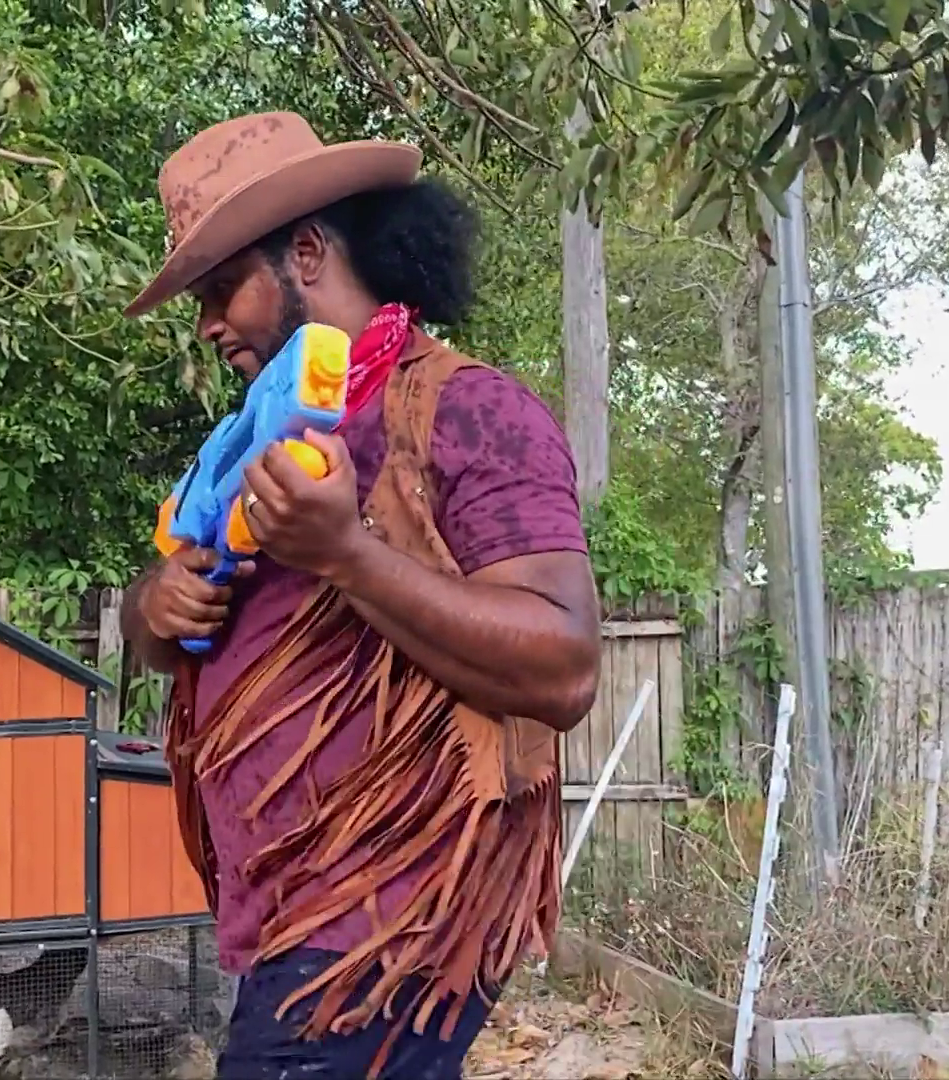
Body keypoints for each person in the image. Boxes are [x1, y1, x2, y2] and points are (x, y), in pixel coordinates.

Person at [120, 112, 602, 1080]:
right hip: (286, 919)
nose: (208, 324)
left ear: (306, 253)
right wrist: (155, 607)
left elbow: (563, 666)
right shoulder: (254, 445)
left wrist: (346, 552)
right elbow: (169, 632)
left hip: (390, 924)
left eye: (222, 288)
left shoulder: (468, 410)